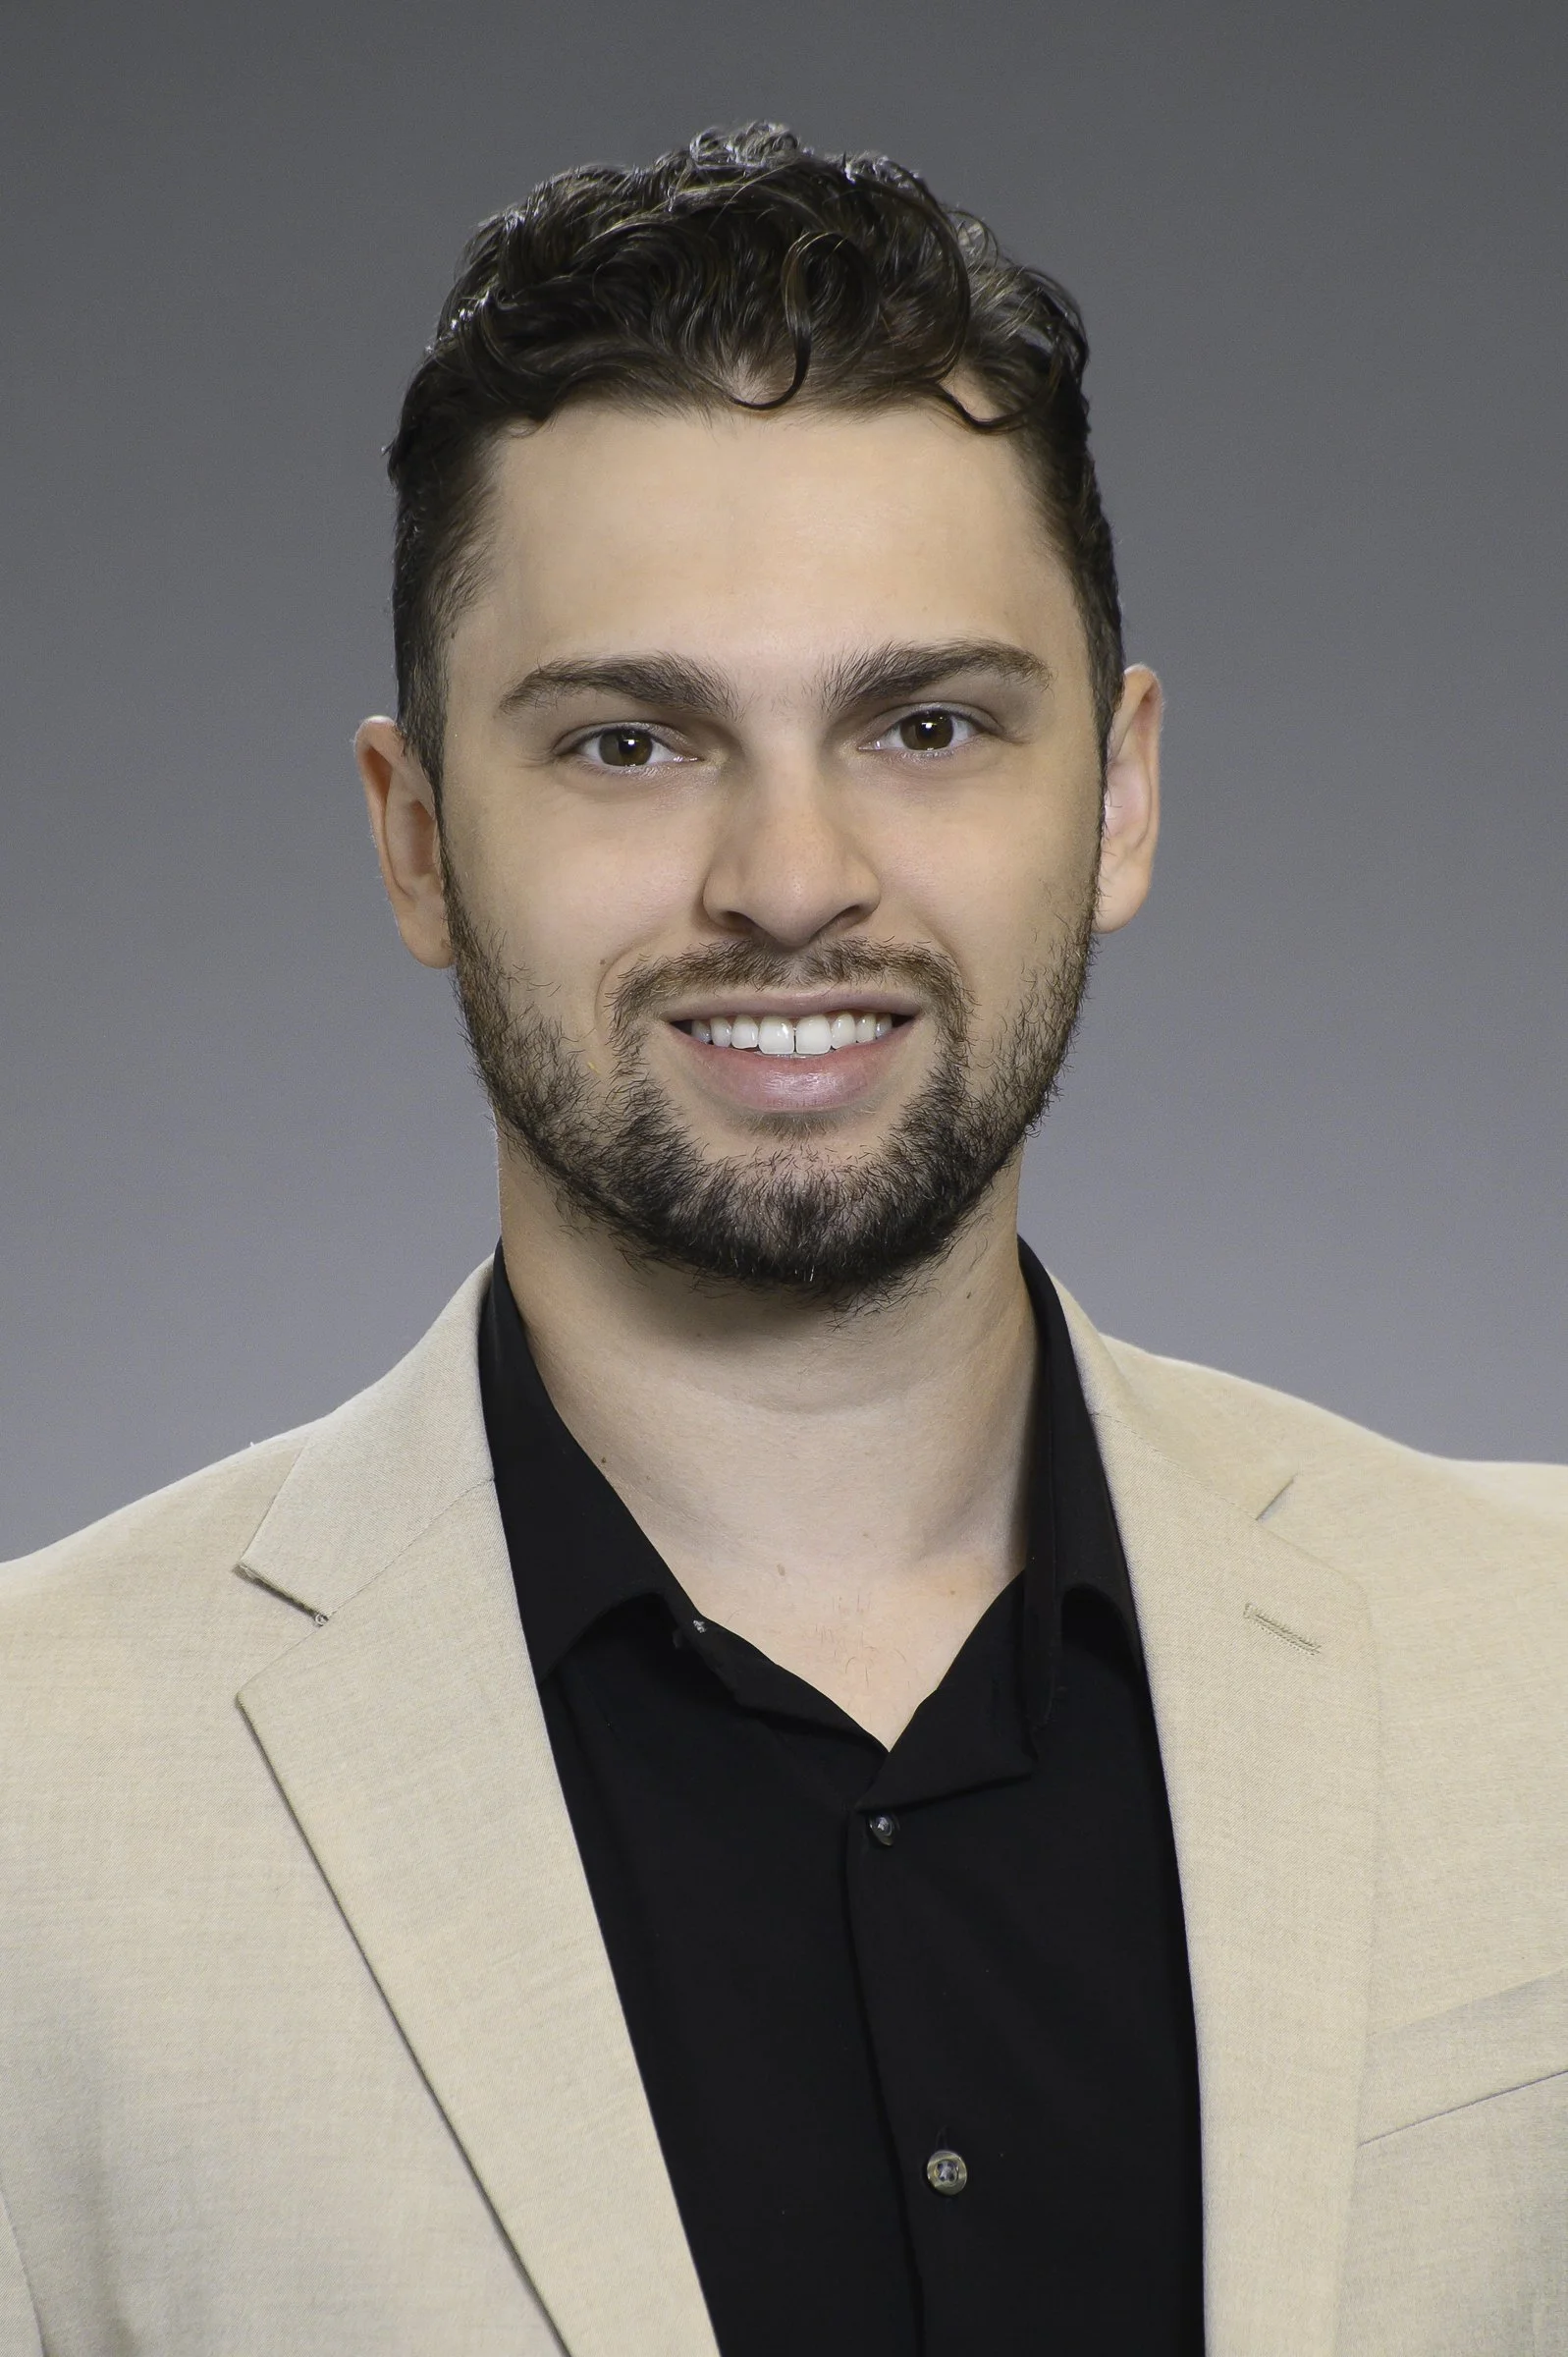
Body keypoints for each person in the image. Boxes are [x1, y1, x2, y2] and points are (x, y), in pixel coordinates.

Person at [0, 123, 1561, 2357]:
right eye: (631, 744)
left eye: (927, 724)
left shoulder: (1541, 1667)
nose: (793, 877)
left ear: (1118, 795)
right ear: (417, 838)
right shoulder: (33, 1799)